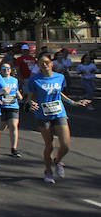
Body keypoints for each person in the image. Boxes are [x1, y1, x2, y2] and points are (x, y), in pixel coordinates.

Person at [24, 53, 92, 184]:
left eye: (47, 62)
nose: (44, 65)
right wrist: (31, 103)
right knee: (49, 145)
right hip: (43, 115)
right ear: (38, 66)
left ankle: (58, 161)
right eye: (41, 63)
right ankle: (48, 171)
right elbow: (30, 97)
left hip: (59, 113)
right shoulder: (35, 80)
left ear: (51, 64)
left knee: (65, 145)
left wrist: (73, 102)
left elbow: (58, 93)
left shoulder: (59, 77)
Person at [0, 63, 23, 158]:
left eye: (8, 68)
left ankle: (14, 149)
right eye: (4, 68)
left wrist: (19, 95)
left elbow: (15, 90)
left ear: (11, 70)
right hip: (2, 106)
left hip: (13, 106)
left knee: (13, 126)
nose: (6, 69)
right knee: (1, 127)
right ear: (1, 70)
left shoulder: (14, 80)